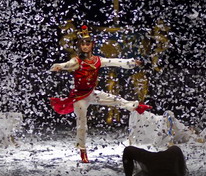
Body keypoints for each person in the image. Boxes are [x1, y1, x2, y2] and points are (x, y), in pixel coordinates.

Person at [50, 25, 152, 163]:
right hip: (80, 98)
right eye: (82, 44)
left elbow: (115, 62)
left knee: (115, 99)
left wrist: (132, 62)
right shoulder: (77, 61)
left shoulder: (98, 60)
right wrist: (59, 67)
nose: (85, 46)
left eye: (88, 43)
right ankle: (82, 150)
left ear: (92, 45)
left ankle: (135, 106)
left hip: (91, 93)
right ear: (79, 46)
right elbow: (67, 64)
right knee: (82, 124)